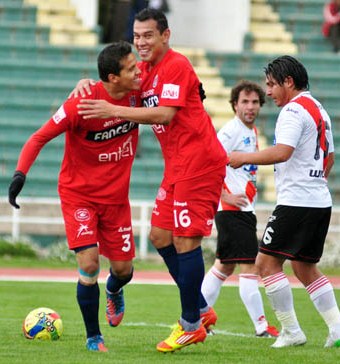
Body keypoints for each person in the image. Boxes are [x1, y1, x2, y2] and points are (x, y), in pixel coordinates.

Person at [72, 8, 228, 353]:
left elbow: (165, 114)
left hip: (199, 162)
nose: (141, 42)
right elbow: (114, 84)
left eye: (148, 36)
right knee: (160, 235)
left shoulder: (176, 65)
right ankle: (202, 308)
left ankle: (191, 324)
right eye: (137, 36)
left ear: (165, 36)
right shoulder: (142, 70)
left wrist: (113, 111)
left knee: (186, 240)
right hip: (176, 166)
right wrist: (86, 84)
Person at [8, 41, 142, 352]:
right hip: (79, 195)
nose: (138, 72)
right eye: (131, 69)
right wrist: (20, 174)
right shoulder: (81, 103)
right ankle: (94, 337)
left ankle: (114, 290)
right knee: (90, 264)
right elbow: (39, 137)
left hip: (116, 200)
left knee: (123, 270)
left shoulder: (139, 91)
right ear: (112, 78)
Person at [229, 55, 340, 348]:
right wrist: (314, 180)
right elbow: (330, 157)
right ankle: (338, 329)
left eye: (271, 85)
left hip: (297, 202)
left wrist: (241, 157)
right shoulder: (319, 109)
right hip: (319, 200)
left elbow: (282, 152)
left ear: (288, 82)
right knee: (304, 267)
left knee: (265, 264)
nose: (268, 92)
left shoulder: (293, 110)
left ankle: (291, 331)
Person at [201, 80, 279, 338]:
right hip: (232, 211)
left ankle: (196, 318)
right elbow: (209, 162)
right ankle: (261, 326)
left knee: (224, 267)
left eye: (255, 102)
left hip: (242, 211)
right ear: (234, 105)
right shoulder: (230, 131)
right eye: (244, 102)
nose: (250, 107)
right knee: (250, 267)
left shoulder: (250, 130)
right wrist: (224, 195)